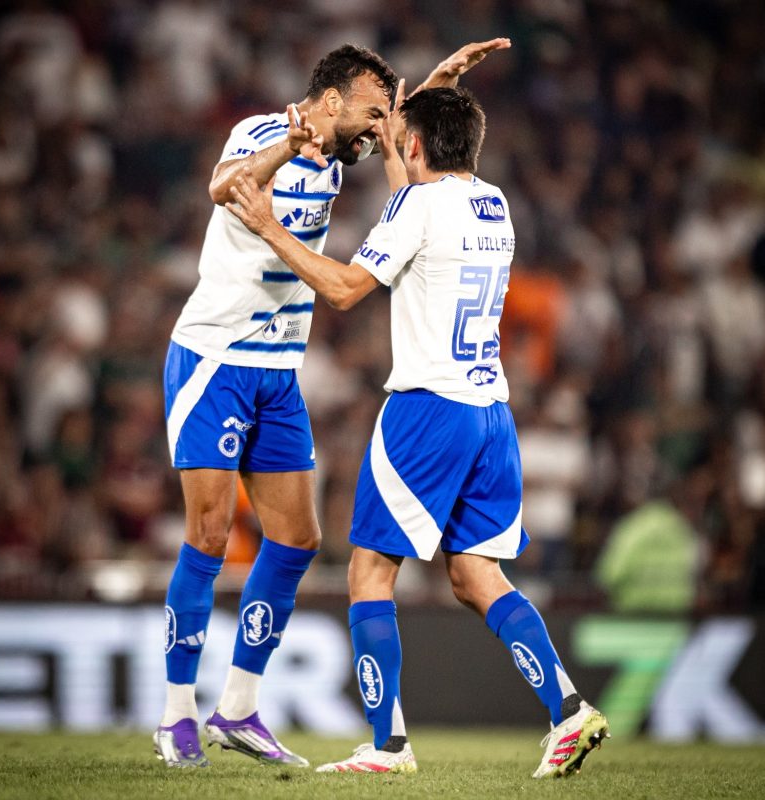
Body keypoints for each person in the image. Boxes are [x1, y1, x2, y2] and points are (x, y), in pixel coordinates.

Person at [228, 86, 610, 778]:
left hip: (427, 410)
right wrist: (403, 142)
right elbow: (414, 209)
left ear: (413, 143)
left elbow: (345, 288)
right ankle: (570, 710)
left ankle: (387, 746)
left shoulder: (417, 206)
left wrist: (269, 227)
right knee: (474, 575)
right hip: (490, 414)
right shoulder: (494, 205)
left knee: (369, 572)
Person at [156, 40, 512, 769]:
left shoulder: (340, 156)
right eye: (371, 113)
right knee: (210, 535)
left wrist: (436, 87)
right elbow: (223, 186)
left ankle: (238, 708)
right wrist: (287, 147)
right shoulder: (264, 132)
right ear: (329, 102)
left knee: (297, 540)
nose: (379, 130)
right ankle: (175, 714)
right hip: (215, 360)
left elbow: (408, 154)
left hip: (279, 370)